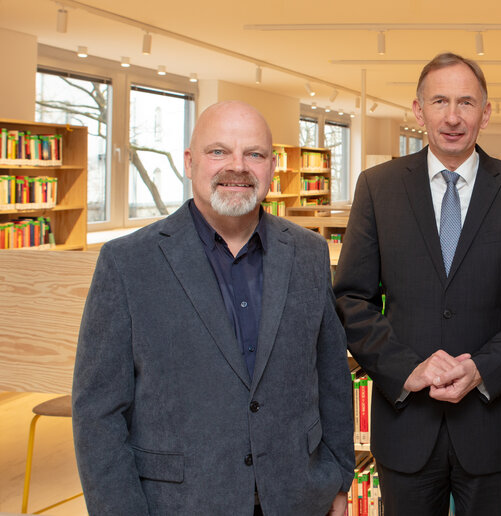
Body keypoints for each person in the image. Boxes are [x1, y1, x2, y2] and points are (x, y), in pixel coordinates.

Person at [72, 100, 354, 516]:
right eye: (218, 151)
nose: (237, 166)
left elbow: (331, 376)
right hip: (182, 503)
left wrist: (338, 477)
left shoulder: (309, 253)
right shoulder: (129, 263)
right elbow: (98, 413)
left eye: (254, 154)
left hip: (298, 497)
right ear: (189, 161)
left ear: (272, 167)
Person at [333, 52, 501, 516]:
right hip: (406, 426)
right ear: (418, 110)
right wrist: (408, 368)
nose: (453, 117)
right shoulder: (377, 187)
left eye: (466, 102)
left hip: (492, 423)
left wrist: (483, 367)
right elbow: (351, 298)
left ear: (486, 111)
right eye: (439, 101)